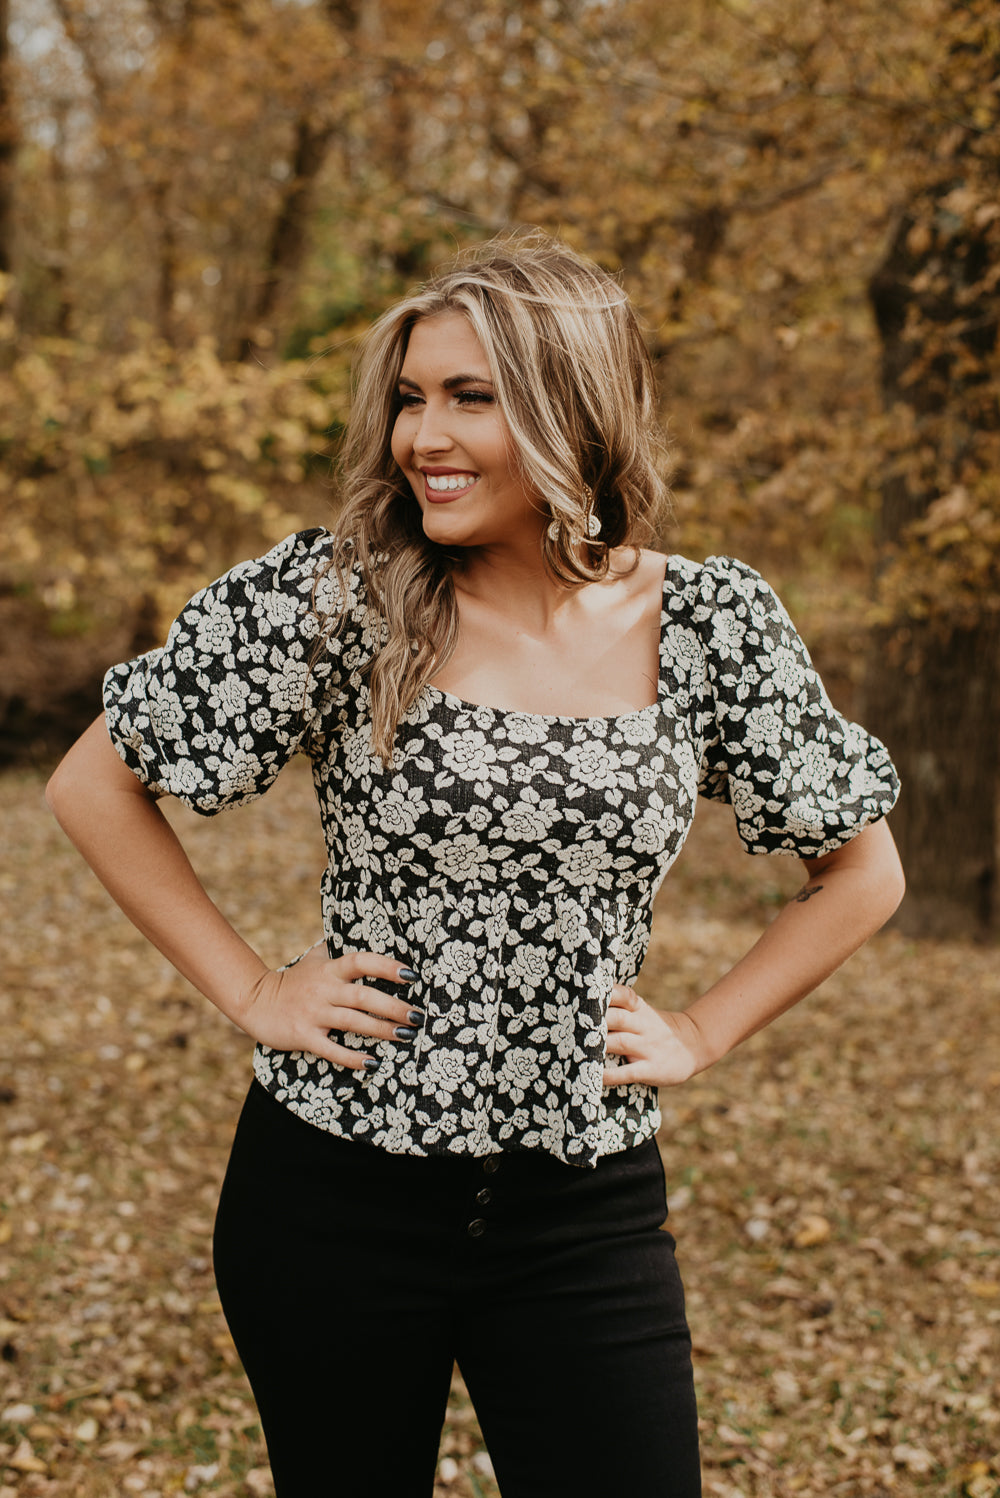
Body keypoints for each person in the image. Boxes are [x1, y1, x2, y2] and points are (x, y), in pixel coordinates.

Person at [46, 231, 904, 1498]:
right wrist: (252, 989)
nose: (422, 437)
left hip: (582, 1208)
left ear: (573, 410)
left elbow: (863, 871)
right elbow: (93, 783)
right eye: (409, 397)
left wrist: (704, 1030)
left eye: (470, 397)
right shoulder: (341, 598)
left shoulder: (711, 624)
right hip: (333, 1196)